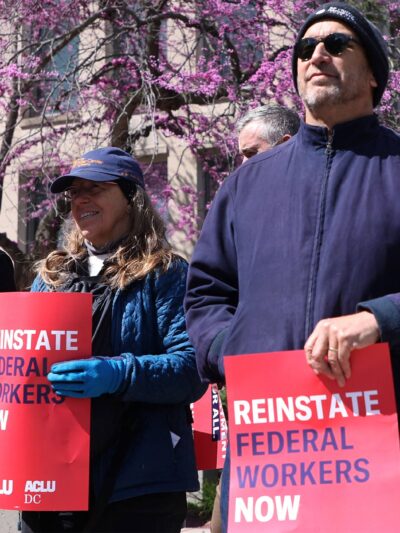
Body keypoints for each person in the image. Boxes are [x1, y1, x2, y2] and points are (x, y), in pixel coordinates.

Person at [184, 3, 400, 531]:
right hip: (272, 456)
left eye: (336, 44)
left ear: (372, 73)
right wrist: (231, 347)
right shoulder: (246, 184)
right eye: (305, 48)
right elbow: (206, 293)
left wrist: (381, 319)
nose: (317, 54)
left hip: (379, 456)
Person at [23, 147, 206, 533]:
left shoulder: (166, 274)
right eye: (74, 193)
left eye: (95, 188)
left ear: (130, 198)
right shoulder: (51, 277)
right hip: (54, 484)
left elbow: (191, 369)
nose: (81, 200)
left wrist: (118, 374)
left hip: (137, 486)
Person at [209, 103, 300, 533]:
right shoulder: (236, 212)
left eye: (251, 154)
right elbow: (209, 290)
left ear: (285, 147)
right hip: (258, 408)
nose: (241, 167)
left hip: (338, 410)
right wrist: (229, 349)